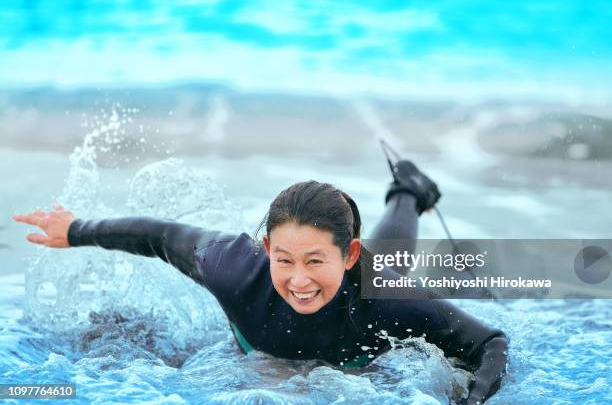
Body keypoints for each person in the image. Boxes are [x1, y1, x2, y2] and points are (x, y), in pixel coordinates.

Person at [13, 158, 508, 404]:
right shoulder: (235, 267)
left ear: (348, 254)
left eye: (316, 261)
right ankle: (406, 191)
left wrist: (473, 396)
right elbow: (160, 236)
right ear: (267, 249)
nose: (298, 280)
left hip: (374, 290)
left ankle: (406, 192)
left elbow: (489, 341)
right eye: (285, 259)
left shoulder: (391, 300)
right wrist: (76, 230)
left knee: (393, 265)